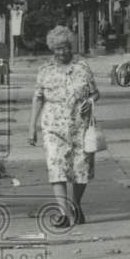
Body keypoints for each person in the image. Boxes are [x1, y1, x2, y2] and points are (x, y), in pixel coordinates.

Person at [27, 25, 100, 228]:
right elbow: (38, 98)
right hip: (53, 127)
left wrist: (90, 102)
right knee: (56, 167)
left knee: (81, 169)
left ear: (71, 47)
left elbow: (95, 93)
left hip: (81, 126)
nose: (63, 52)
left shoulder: (83, 66)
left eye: (66, 47)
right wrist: (31, 127)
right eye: (58, 48)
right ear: (52, 48)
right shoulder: (45, 70)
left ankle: (75, 204)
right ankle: (63, 213)